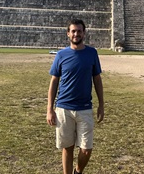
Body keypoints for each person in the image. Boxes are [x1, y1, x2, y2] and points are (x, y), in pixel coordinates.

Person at [46, 19, 104, 174]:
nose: (76, 34)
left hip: (85, 108)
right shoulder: (61, 55)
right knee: (67, 148)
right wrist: (49, 109)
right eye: (73, 31)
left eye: (79, 31)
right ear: (68, 34)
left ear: (84, 33)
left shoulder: (92, 53)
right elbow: (54, 81)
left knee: (86, 149)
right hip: (64, 108)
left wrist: (101, 104)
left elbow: (97, 79)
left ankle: (78, 171)